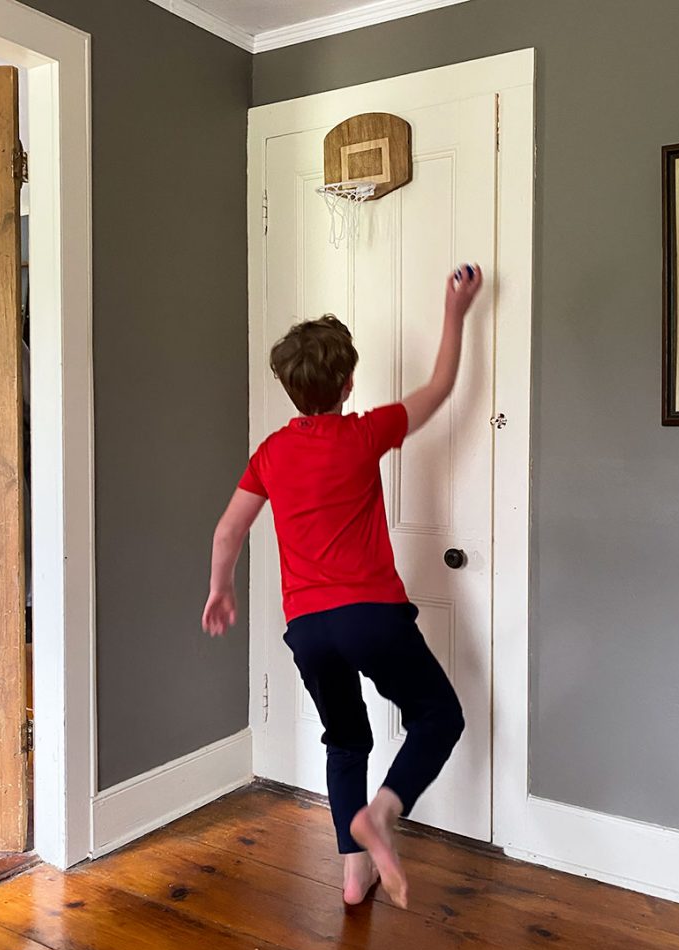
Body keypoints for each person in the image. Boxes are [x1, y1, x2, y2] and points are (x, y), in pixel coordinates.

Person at [202, 264, 483, 910]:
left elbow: (227, 532)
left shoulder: (271, 453)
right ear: (349, 383)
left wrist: (222, 590)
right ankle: (382, 812)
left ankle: (354, 877)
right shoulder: (364, 433)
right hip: (371, 616)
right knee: (440, 714)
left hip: (308, 629)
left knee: (346, 738)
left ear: (288, 387)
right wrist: (456, 309)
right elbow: (440, 388)